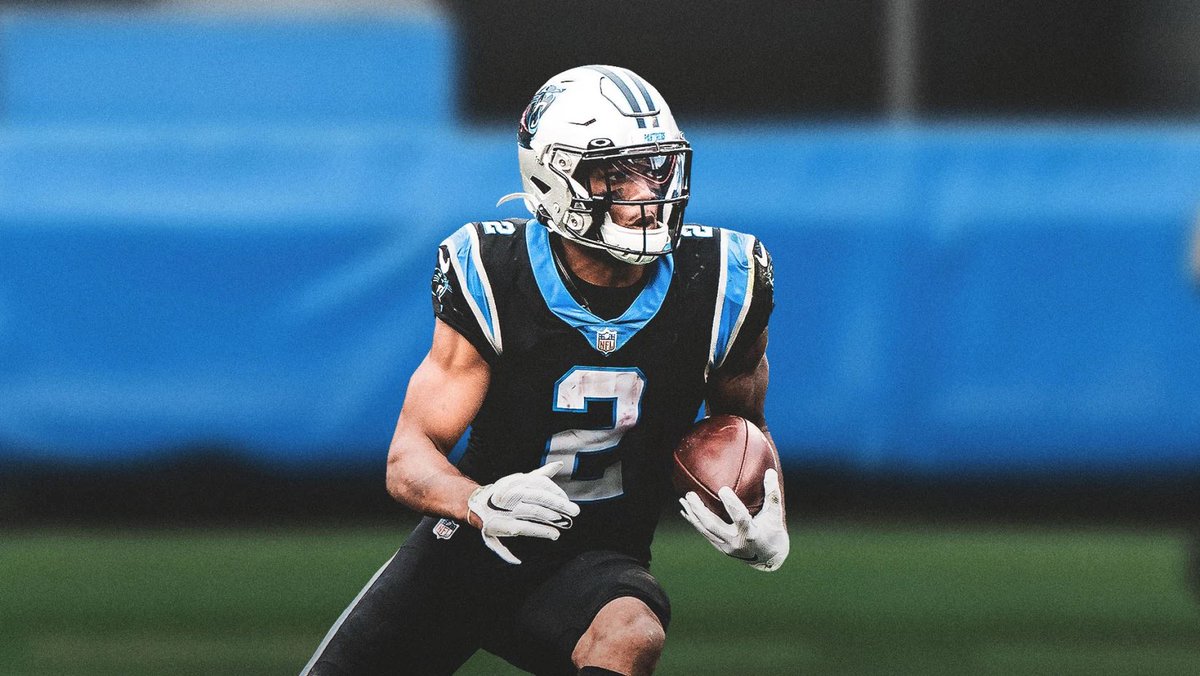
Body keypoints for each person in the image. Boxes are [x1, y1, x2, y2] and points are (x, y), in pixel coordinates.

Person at [302, 65, 788, 676]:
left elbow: (741, 430)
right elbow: (409, 457)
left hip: (596, 559)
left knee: (631, 633)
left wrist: (766, 512)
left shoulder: (724, 279)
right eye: (616, 174)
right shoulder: (495, 270)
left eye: (656, 168)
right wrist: (478, 501)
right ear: (553, 178)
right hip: (470, 544)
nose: (646, 194)